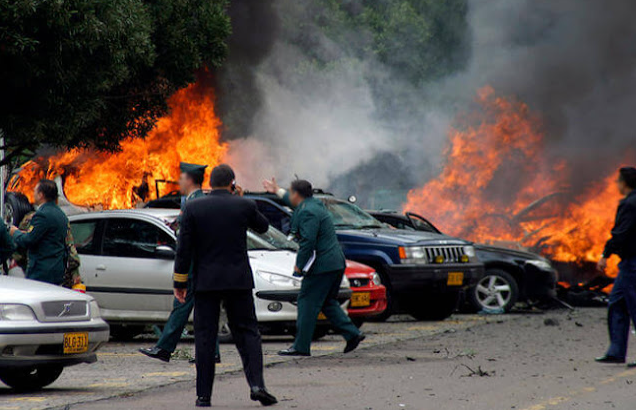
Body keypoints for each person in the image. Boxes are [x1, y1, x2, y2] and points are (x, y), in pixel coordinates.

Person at [174, 164, 277, 407]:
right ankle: (257, 385)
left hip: (206, 282)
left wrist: (180, 281)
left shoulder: (192, 207)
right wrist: (241, 198)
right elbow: (263, 227)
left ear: (209, 182)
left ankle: (203, 396)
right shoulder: (244, 205)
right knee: (248, 333)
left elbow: (184, 248)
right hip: (237, 281)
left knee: (205, 337)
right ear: (232, 182)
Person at [262, 178, 365, 357]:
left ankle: (301, 346)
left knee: (306, 302)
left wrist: (299, 266)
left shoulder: (308, 212)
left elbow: (308, 242)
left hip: (321, 265)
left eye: (290, 192)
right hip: (335, 263)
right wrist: (276, 190)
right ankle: (352, 334)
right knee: (328, 302)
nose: (289, 195)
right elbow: (293, 202)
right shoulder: (313, 204)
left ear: (296, 194)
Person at [140, 162, 221, 364]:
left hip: (195, 265)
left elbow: (188, 239)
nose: (179, 181)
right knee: (202, 311)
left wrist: (181, 275)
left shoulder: (194, 203)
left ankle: (164, 348)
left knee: (184, 306)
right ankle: (205, 352)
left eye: (181, 177)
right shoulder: (196, 200)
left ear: (190, 179)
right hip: (202, 264)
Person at [595, 167, 636, 367]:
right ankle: (616, 351)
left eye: (618, 181)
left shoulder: (629, 204)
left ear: (624, 183)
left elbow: (621, 233)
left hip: (632, 263)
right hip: (628, 263)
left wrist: (605, 254)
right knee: (617, 302)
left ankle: (617, 350)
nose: (616, 184)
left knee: (633, 304)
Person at [9, 179, 69, 285]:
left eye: (35, 191)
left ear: (41, 195)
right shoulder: (61, 214)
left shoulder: (42, 215)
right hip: (56, 270)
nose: (33, 194)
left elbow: (29, 240)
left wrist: (15, 232)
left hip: (41, 272)